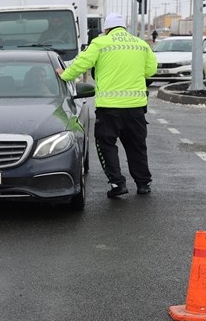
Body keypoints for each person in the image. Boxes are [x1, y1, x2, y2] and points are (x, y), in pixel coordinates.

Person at [60, 12, 157, 198]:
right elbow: (150, 70)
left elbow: (81, 64)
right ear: (124, 27)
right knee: (137, 146)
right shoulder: (141, 44)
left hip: (109, 109)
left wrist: (64, 75)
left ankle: (117, 184)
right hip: (136, 108)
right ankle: (143, 184)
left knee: (106, 145)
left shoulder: (100, 43)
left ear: (106, 28)